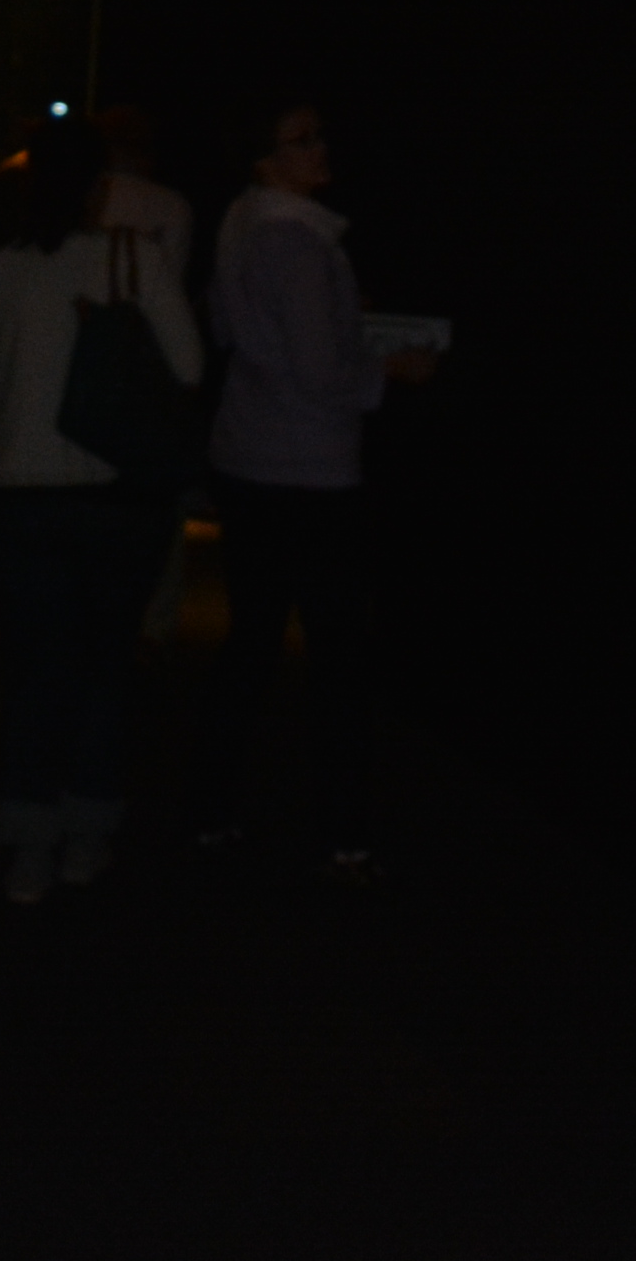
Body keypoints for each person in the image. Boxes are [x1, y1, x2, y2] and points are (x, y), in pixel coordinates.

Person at [0, 134, 197, 904]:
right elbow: (189, 367)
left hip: (18, 498)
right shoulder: (137, 260)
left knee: (34, 671)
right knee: (103, 670)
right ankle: (88, 837)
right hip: (115, 494)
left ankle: (28, 848)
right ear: (99, 191)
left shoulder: (2, 268)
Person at [201, 100, 429, 876]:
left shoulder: (243, 222)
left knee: (253, 643)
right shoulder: (294, 240)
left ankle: (214, 809)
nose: (320, 148)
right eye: (301, 140)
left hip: (250, 459)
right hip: (309, 471)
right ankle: (341, 825)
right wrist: (391, 369)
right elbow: (321, 371)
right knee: (334, 654)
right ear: (265, 158)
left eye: (317, 135)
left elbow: (241, 334)